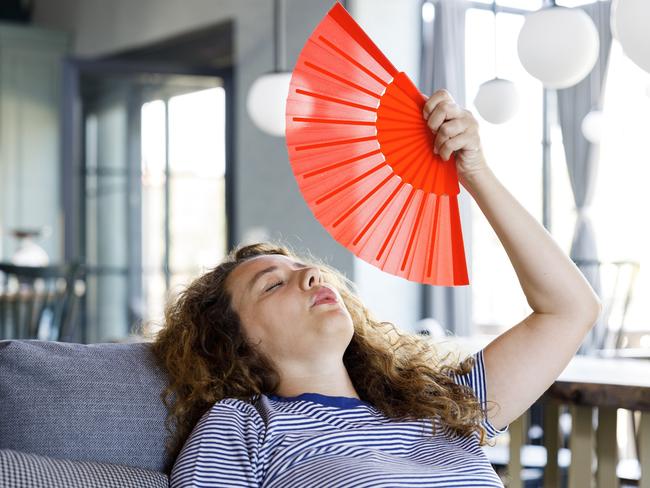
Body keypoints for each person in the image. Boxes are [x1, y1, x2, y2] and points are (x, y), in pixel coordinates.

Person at [151, 89, 602, 487]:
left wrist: (476, 173)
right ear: (234, 342)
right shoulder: (242, 427)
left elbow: (570, 309)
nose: (312, 276)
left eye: (306, 268)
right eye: (272, 285)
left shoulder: (436, 406)